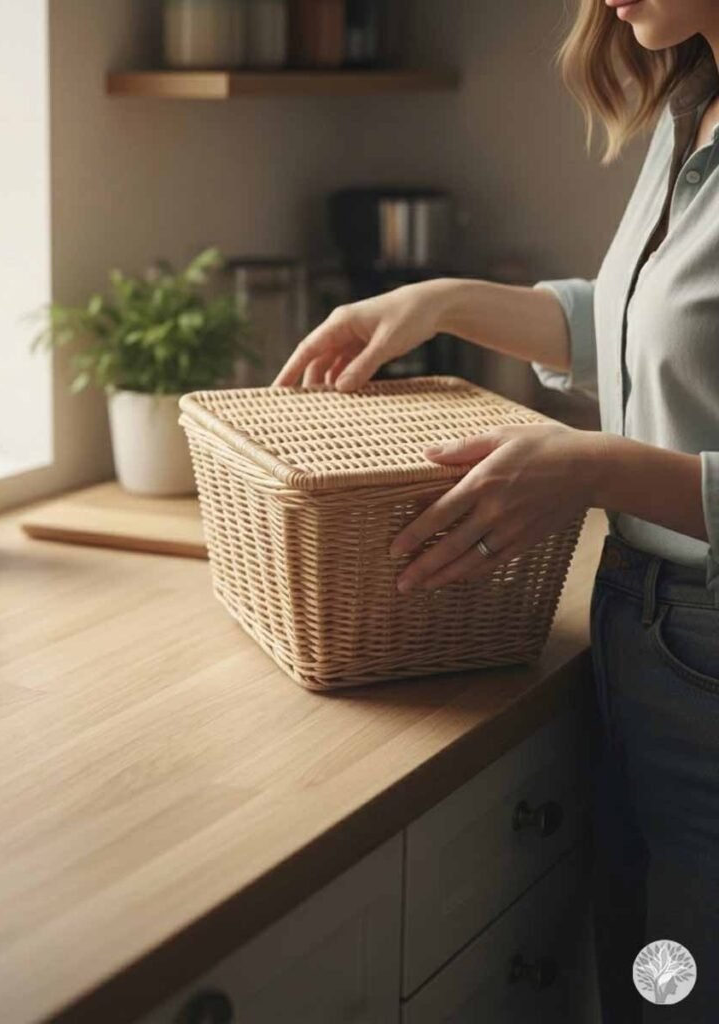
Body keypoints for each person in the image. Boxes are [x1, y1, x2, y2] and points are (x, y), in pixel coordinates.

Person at [276, 1, 719, 1020]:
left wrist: (587, 466)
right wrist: (436, 300)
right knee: (650, 976)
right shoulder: (689, 107)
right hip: (634, 628)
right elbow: (639, 336)